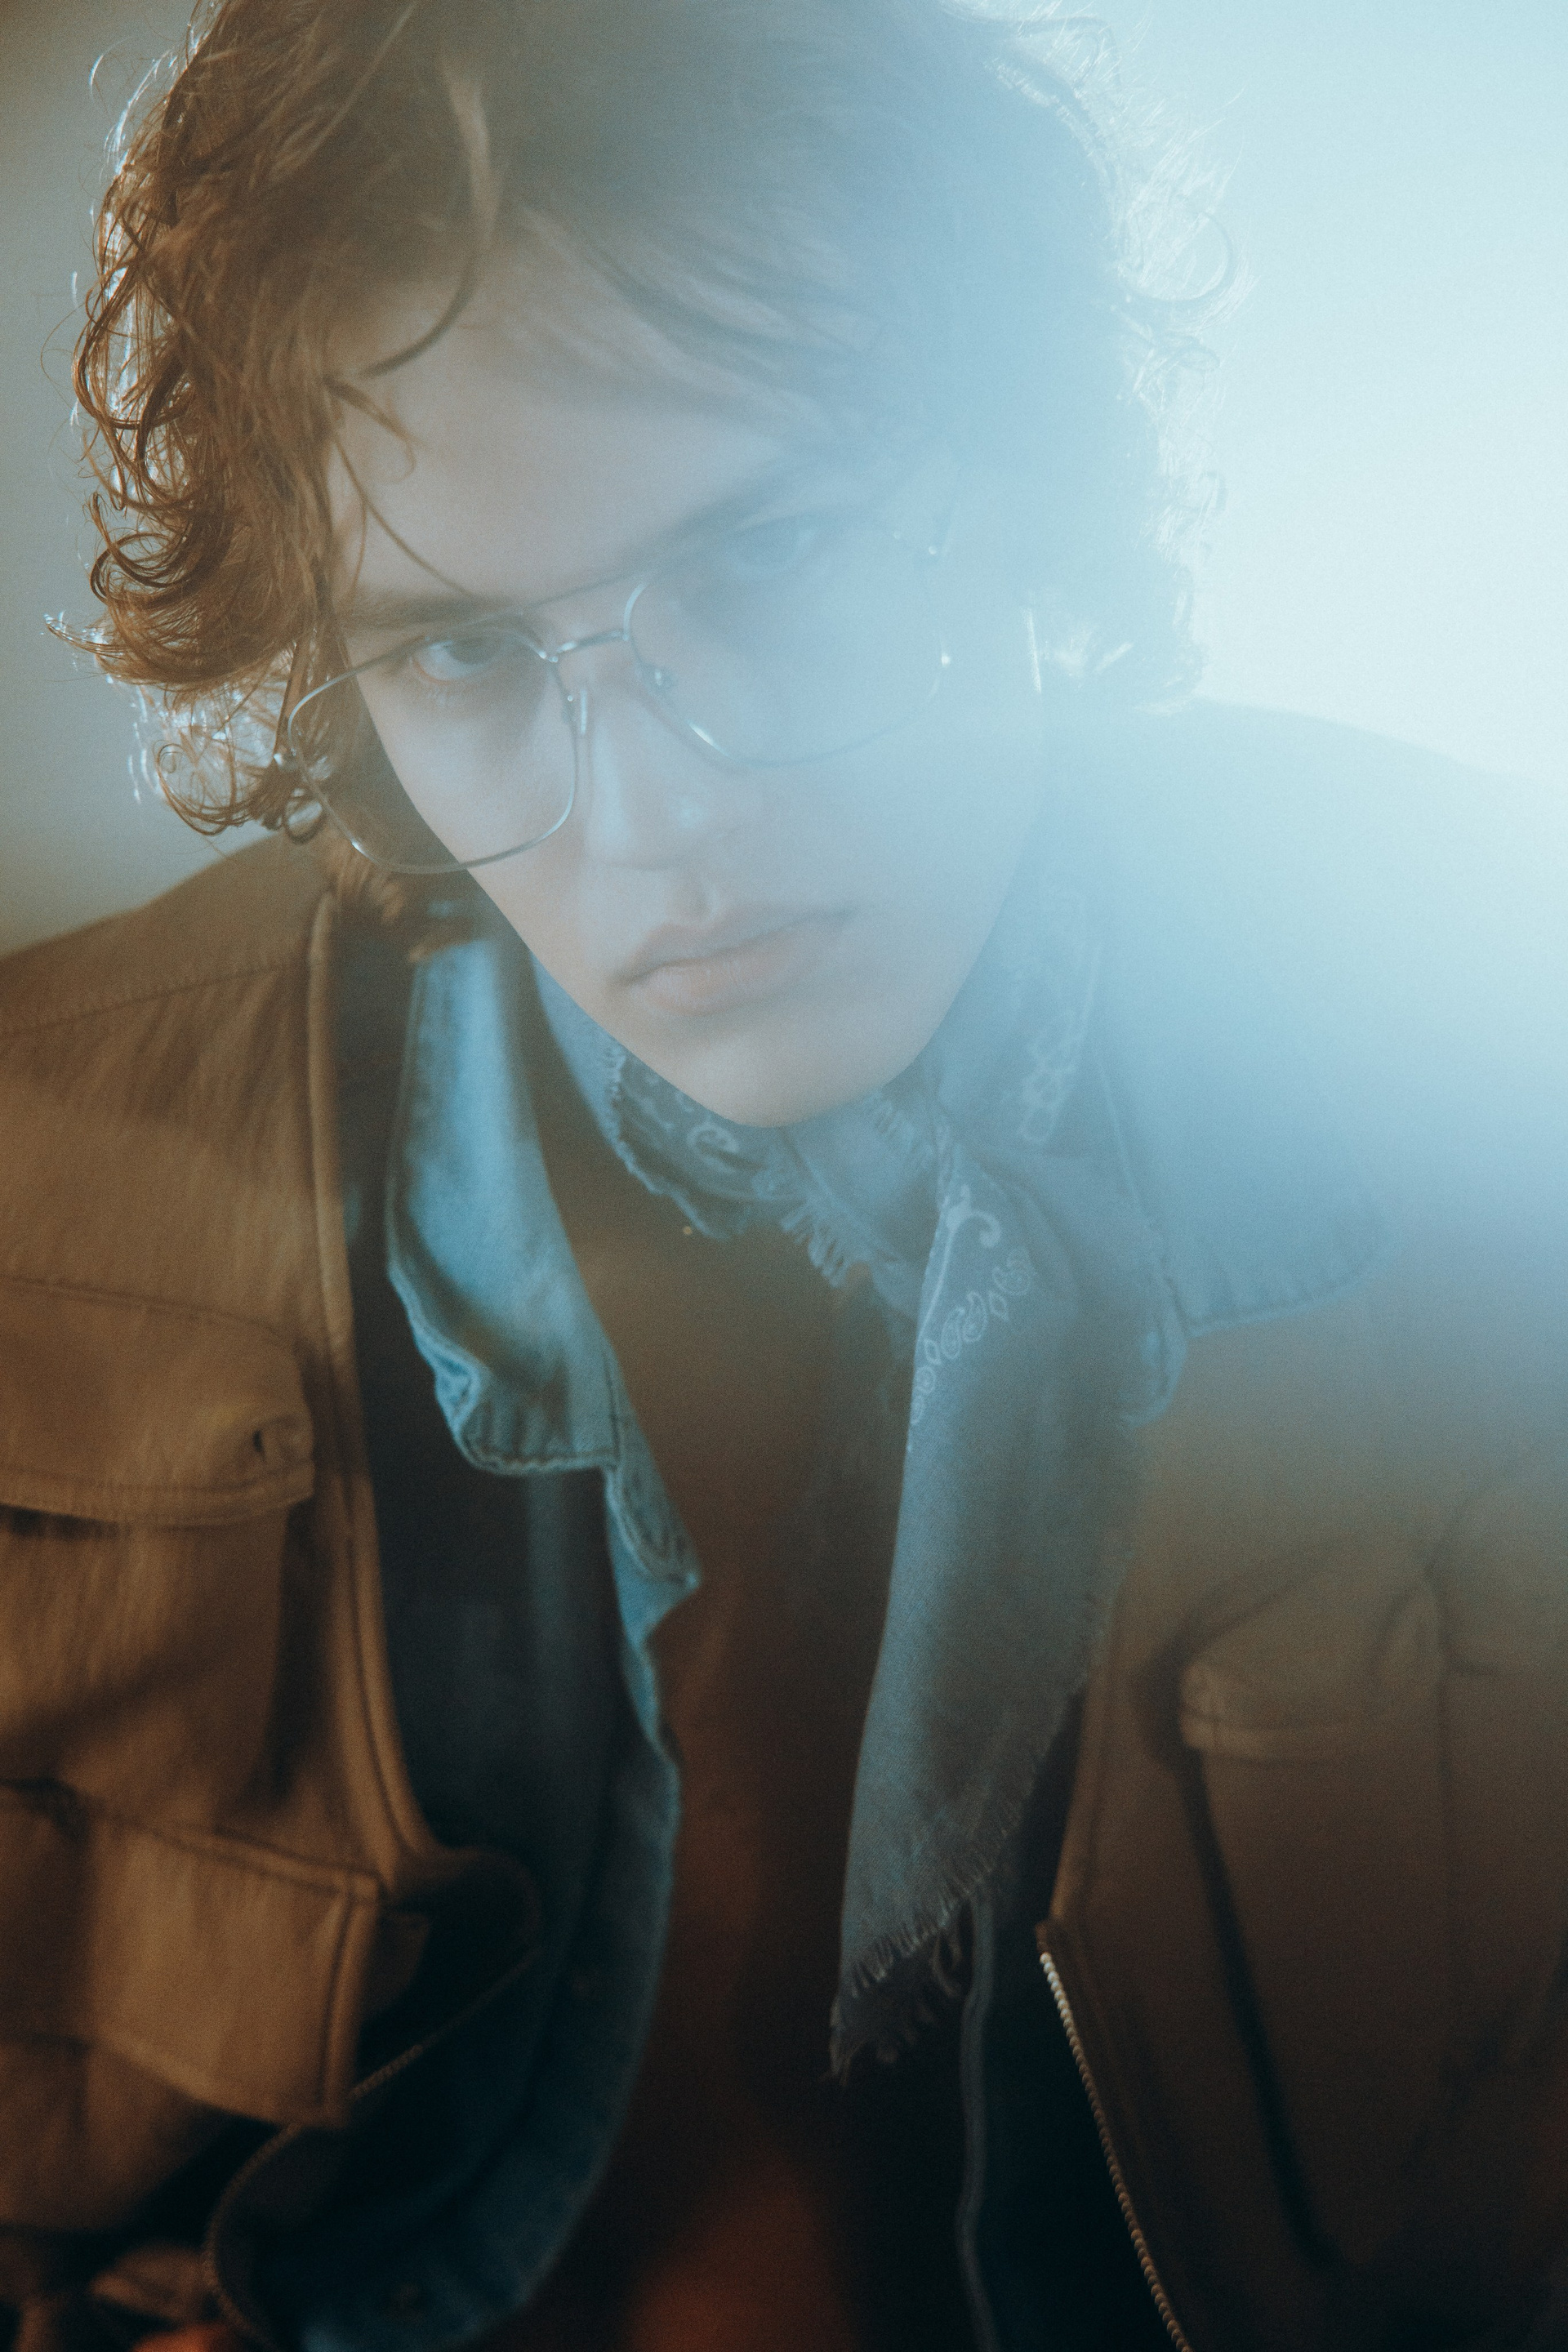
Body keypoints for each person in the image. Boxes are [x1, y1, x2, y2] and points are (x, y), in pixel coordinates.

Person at [1, 2, 1565, 2348]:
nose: (656, 817)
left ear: (1023, 475)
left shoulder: (1499, 1047)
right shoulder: (43, 1185)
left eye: (776, 557)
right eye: (467, 652)